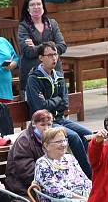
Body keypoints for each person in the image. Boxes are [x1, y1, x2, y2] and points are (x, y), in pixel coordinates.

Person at [26, 42, 92, 177]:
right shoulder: (34, 79)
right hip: (46, 123)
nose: (54, 58)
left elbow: (65, 103)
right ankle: (88, 175)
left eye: (55, 54)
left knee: (88, 135)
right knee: (73, 137)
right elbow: (40, 107)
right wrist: (57, 100)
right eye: (49, 55)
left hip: (60, 119)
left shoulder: (59, 76)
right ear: (41, 58)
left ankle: (87, 169)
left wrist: (50, 101)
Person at [17, 0, 67, 93]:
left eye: (38, 4)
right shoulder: (23, 26)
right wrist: (51, 46)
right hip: (32, 74)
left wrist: (37, 47)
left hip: (54, 73)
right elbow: (28, 51)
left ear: (43, 7)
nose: (36, 7)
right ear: (27, 9)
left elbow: (62, 46)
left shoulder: (52, 24)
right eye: (32, 5)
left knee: (58, 104)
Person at [4, 109, 53, 197]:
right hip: (22, 184)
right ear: (34, 124)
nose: (47, 128)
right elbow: (26, 170)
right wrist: (49, 179)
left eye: (49, 125)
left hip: (43, 180)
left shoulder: (50, 138)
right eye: (42, 125)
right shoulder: (24, 140)